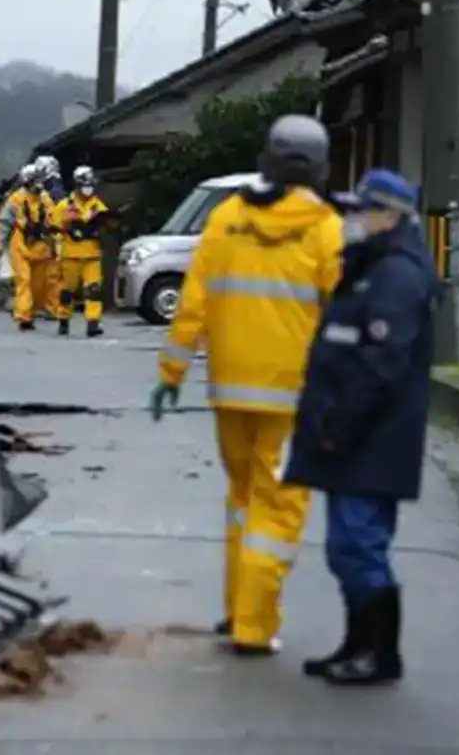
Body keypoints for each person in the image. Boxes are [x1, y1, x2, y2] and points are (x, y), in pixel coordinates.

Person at [149, 114, 344, 656]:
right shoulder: (325, 227)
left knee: (240, 501)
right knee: (275, 510)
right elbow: (341, 312)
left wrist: (171, 375)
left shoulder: (227, 218)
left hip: (229, 390)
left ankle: (237, 609)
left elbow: (192, 305)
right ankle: (253, 627)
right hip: (292, 395)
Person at [284, 169, 441, 686]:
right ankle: (358, 646)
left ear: (390, 216)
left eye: (362, 211)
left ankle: (378, 655)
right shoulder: (373, 265)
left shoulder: (396, 274)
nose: (352, 220)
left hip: (371, 438)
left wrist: (338, 426)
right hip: (358, 436)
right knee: (347, 547)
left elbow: (381, 364)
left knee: (359, 546)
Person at [0, 164, 56, 331]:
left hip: (41, 248)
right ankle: (24, 316)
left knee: (38, 286)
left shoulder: (46, 199)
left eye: (40, 180)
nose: (39, 184)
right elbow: (4, 223)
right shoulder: (16, 199)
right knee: (24, 281)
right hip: (21, 246)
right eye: (35, 181)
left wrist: (56, 242)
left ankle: (31, 311)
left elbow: (54, 222)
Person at [52, 166, 111, 337]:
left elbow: (107, 225)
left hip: (92, 254)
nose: (88, 188)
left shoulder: (98, 206)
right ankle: (63, 319)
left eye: (90, 184)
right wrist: (67, 231)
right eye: (84, 184)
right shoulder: (65, 205)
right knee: (67, 290)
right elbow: (55, 227)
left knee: (94, 290)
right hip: (71, 254)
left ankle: (93, 323)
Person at [33, 155, 65, 318]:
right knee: (45, 274)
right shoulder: (52, 188)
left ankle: (53, 307)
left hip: (54, 236)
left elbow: (55, 216)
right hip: (49, 236)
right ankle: (46, 305)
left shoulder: (54, 191)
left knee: (53, 274)